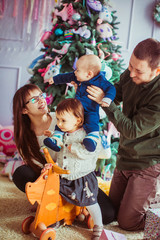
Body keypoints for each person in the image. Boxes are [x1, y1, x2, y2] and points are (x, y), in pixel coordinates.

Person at [12, 83, 116, 227]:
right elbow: (34, 165)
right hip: (52, 178)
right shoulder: (24, 137)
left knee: (108, 215)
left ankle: (72, 205)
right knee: (21, 173)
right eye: (34, 100)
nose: (42, 100)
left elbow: (92, 120)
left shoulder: (62, 117)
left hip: (78, 176)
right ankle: (54, 202)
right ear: (24, 109)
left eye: (41, 95)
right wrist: (46, 171)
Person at [86, 38, 160, 231]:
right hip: (126, 156)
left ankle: (156, 202)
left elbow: (132, 130)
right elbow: (116, 92)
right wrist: (92, 91)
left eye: (139, 71)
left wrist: (107, 104)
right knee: (110, 213)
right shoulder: (131, 73)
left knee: (128, 222)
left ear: (157, 70)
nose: (131, 73)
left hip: (148, 162)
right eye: (130, 66)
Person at [44, 98, 105, 239]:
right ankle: (59, 217)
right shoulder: (64, 132)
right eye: (58, 119)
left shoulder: (87, 135)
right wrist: (53, 137)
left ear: (78, 120)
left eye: (63, 120)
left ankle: (99, 225)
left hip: (82, 177)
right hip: (65, 175)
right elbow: (60, 152)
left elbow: (92, 152)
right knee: (59, 198)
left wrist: (75, 148)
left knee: (91, 202)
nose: (58, 124)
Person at [45, 54, 116, 152]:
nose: (75, 72)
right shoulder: (79, 76)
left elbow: (111, 89)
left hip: (91, 109)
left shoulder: (101, 81)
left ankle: (92, 138)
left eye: (77, 70)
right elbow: (66, 76)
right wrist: (55, 79)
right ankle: (56, 139)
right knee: (64, 119)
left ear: (89, 74)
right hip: (76, 108)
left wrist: (107, 99)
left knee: (92, 120)